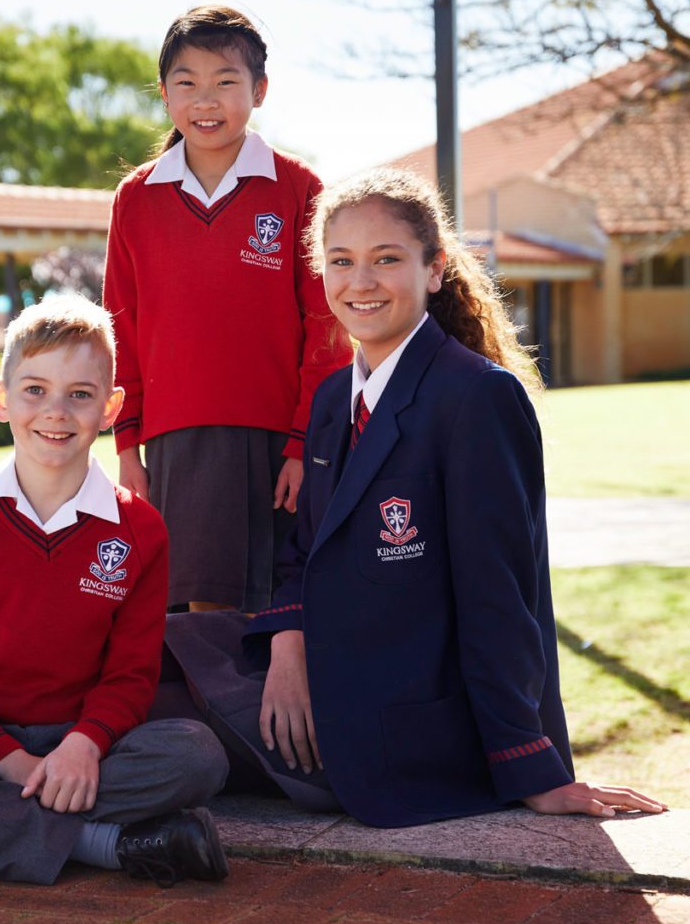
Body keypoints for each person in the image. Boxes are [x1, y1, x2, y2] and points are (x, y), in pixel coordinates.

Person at [164, 167, 668, 825]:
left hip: (396, 727)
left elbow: (500, 599)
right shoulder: (327, 402)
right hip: (302, 671)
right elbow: (305, 550)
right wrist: (287, 644)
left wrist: (533, 767)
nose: (361, 281)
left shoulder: (476, 398)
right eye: (341, 261)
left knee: (149, 719)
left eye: (387, 259)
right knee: (143, 650)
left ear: (434, 270)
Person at [0, 294, 230, 887]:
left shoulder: (140, 529)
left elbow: (132, 672)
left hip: (92, 750)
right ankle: (111, 846)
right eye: (34, 390)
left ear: (110, 408)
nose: (56, 411)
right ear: (0, 399)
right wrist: (11, 762)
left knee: (197, 755)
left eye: (80, 394)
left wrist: (84, 745)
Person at [102, 4, 351, 614]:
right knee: (193, 619)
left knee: (284, 610)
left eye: (225, 82)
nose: (204, 100)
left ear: (259, 90)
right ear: (164, 95)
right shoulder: (135, 199)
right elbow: (120, 328)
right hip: (174, 444)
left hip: (277, 439)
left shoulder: (299, 189)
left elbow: (326, 328)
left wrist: (302, 444)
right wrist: (128, 449)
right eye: (186, 83)